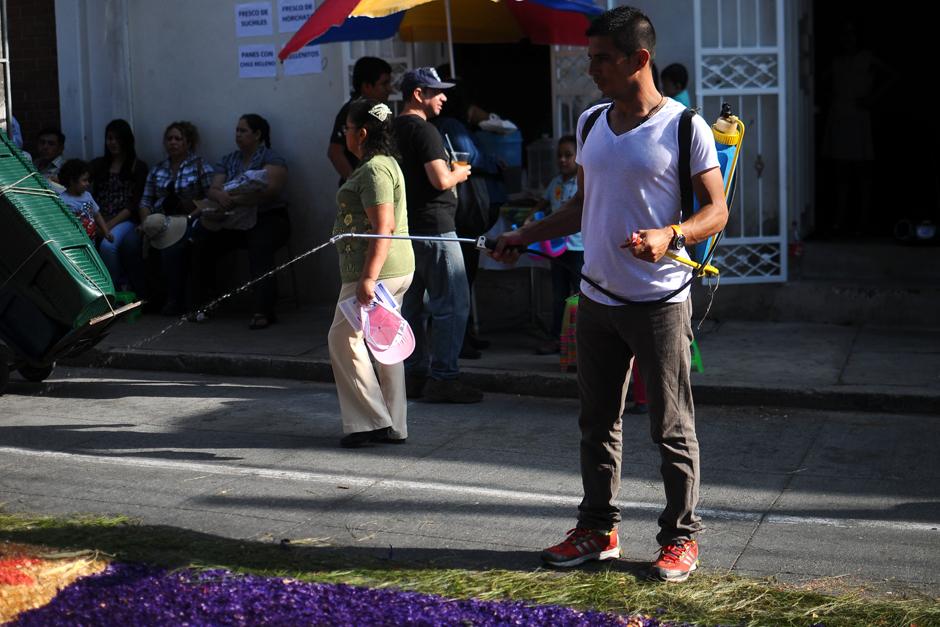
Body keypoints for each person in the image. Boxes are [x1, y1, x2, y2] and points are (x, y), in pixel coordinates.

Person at [493, 6, 727, 582]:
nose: (591, 69)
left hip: (659, 304)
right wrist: (524, 235)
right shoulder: (592, 121)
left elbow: (717, 210)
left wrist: (670, 233)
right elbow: (579, 207)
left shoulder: (683, 126)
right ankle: (598, 530)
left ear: (639, 59)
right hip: (595, 298)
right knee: (596, 423)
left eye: (601, 58)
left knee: (671, 428)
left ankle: (680, 538)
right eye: (589, 56)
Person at [329, 99, 415, 448]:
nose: (344, 134)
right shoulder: (384, 164)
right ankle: (394, 424)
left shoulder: (375, 170)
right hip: (389, 269)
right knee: (385, 344)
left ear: (361, 133)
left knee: (341, 337)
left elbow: (384, 227)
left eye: (347, 129)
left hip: (376, 272)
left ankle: (369, 421)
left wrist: (367, 278)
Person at [392, 67, 481, 404]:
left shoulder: (390, 131)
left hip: (405, 230)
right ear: (418, 94)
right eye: (436, 91)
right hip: (437, 230)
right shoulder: (425, 131)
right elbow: (439, 180)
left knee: (412, 306)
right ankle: (444, 377)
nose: (443, 97)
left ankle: (415, 374)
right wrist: (459, 172)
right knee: (452, 305)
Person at [430, 80, 501, 359]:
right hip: (463, 215)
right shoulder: (452, 126)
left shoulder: (441, 125)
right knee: (460, 280)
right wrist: (493, 162)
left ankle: (465, 336)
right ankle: (459, 341)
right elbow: (467, 155)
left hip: (458, 213)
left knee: (460, 280)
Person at [199, 114, 290, 329]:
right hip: (233, 219)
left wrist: (235, 199)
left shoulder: (272, 159)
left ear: (258, 134)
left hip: (268, 217)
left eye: (243, 131)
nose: (238, 135)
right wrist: (220, 197)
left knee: (260, 244)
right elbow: (214, 187)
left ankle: (263, 310)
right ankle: (202, 304)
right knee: (203, 240)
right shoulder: (229, 159)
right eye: (236, 131)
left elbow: (270, 191)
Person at [121, 121, 213, 315]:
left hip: (186, 219)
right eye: (169, 139)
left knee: (172, 248)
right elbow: (145, 201)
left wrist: (190, 217)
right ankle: (144, 297)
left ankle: (174, 299)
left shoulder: (199, 165)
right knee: (130, 243)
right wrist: (146, 223)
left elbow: (209, 197)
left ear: (188, 142)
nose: (173, 143)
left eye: (178, 139)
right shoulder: (158, 169)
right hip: (157, 220)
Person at [523, 135, 582, 356]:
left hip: (579, 249)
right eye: (560, 156)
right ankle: (556, 339)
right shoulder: (555, 182)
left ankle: (581, 341)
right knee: (559, 297)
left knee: (580, 296)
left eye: (568, 155)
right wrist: (529, 219)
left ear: (578, 157)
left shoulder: (582, 182)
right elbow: (544, 202)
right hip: (557, 249)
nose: (563, 160)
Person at [90, 119, 148, 289]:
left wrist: (108, 225)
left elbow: (133, 204)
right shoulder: (99, 164)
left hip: (124, 220)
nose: (112, 143)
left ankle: (115, 286)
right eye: (109, 138)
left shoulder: (138, 166)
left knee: (108, 246)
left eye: (117, 138)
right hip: (100, 216)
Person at [328, 57, 393, 185]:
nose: (389, 89)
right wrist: (356, 184)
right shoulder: (352, 111)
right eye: (384, 84)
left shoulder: (379, 110)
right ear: (367, 86)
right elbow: (335, 152)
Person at [57, 159, 113, 244]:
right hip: (76, 244)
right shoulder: (62, 200)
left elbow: (97, 214)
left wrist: (106, 232)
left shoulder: (87, 196)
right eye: (84, 180)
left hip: (92, 242)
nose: (88, 183)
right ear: (72, 181)